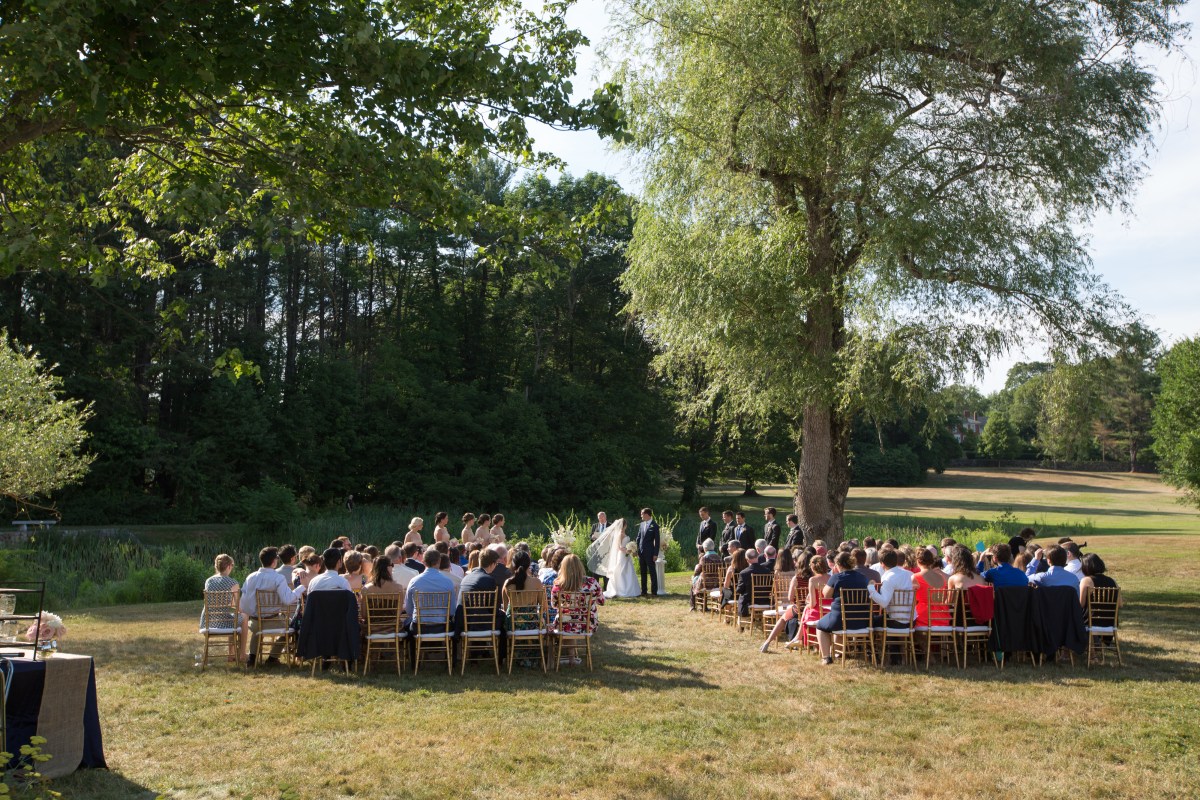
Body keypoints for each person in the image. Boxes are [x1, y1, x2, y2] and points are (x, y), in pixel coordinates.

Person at [240, 547, 306, 665]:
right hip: (273, 621)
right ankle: (273, 657)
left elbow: (244, 600)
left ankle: (252, 657)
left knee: (257, 630)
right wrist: (301, 587)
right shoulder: (278, 578)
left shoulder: (251, 577)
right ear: (274, 561)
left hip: (254, 622)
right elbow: (288, 599)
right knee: (292, 628)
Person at [814, 551, 871, 665]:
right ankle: (839, 653)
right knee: (832, 623)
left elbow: (826, 595)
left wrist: (834, 576)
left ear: (838, 565)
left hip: (839, 619)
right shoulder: (864, 578)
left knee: (820, 626)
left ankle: (826, 657)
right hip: (862, 620)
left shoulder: (836, 578)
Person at [551, 554, 605, 664]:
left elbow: (554, 605)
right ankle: (573, 658)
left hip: (565, 624)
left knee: (569, 619)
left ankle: (571, 658)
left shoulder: (558, 584)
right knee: (574, 620)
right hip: (587, 623)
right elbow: (602, 601)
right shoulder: (592, 582)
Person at [201, 554, 247, 662]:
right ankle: (242, 654)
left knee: (232, 618)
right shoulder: (233, 582)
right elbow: (237, 607)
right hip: (223, 621)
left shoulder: (208, 581)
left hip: (208, 621)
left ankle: (231, 655)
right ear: (229, 566)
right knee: (244, 617)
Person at [404, 547, 457, 634]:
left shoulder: (414, 581)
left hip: (419, 626)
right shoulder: (448, 582)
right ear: (439, 562)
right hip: (442, 626)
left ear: (423, 562)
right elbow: (452, 611)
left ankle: (414, 647)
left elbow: (409, 610)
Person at [594, 519, 640, 599]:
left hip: (626, 555)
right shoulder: (620, 534)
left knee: (627, 571)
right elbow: (619, 547)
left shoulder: (621, 534)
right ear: (625, 525)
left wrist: (631, 550)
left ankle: (628, 589)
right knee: (621, 571)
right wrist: (628, 551)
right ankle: (622, 589)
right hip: (622, 555)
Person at [911, 548, 949, 628]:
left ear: (918, 561)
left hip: (924, 618)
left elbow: (912, 600)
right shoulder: (942, 577)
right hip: (942, 617)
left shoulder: (915, 577)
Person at [737, 549, 772, 619]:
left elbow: (739, 590)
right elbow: (770, 587)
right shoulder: (767, 571)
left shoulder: (744, 573)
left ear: (747, 559)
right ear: (757, 557)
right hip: (765, 599)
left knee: (741, 597)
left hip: (749, 600)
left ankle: (742, 622)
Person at [690, 538, 723, 611]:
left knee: (694, 584)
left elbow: (698, 570)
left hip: (706, 583)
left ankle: (694, 606)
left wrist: (694, 576)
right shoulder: (719, 558)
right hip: (717, 583)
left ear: (705, 548)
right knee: (698, 581)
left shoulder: (704, 558)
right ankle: (705, 606)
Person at [636, 507, 661, 596]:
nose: (641, 515)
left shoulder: (655, 525)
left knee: (652, 572)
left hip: (650, 552)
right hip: (641, 552)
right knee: (643, 572)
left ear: (647, 514)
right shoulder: (642, 524)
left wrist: (655, 554)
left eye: (642, 514)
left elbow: (657, 541)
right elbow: (638, 538)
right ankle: (644, 591)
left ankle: (654, 592)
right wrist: (637, 549)